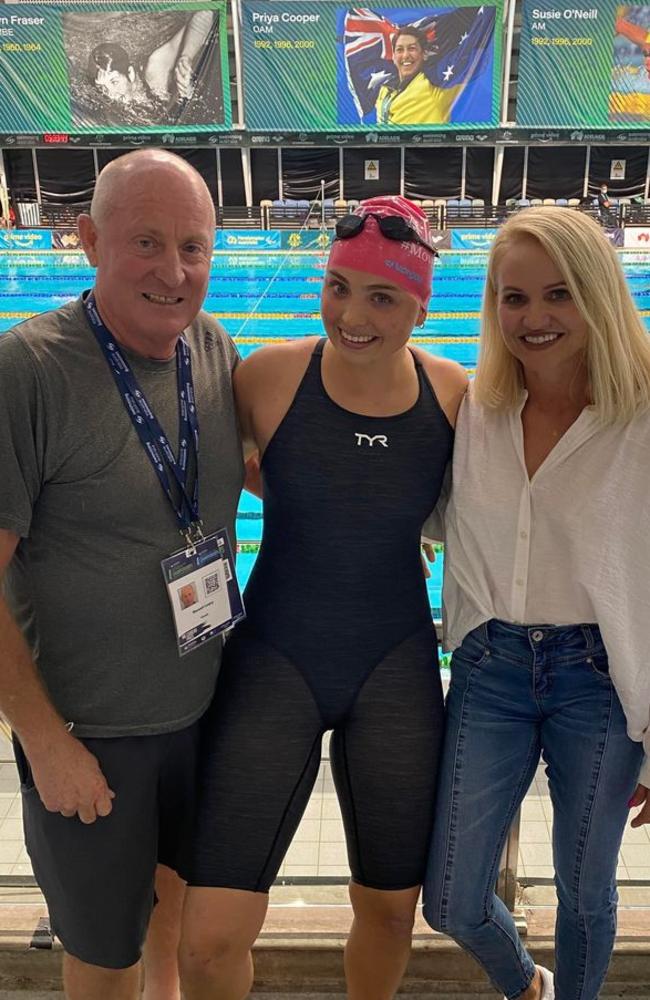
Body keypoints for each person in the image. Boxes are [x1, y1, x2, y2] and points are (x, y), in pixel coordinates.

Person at [179, 196, 468, 1000]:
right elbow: (194, 476)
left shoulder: (454, 398)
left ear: (421, 304)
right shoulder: (266, 376)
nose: (352, 314)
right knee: (208, 938)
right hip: (275, 660)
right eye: (339, 287)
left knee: (388, 911)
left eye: (381, 297)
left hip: (396, 670)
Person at [0, 149, 243, 1000]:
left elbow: (263, 465)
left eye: (193, 247)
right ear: (87, 240)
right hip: (89, 738)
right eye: (145, 242)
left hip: (202, 715)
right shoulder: (29, 371)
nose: (173, 272)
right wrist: (43, 739)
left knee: (171, 929)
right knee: (103, 957)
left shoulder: (211, 349)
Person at [422, 206, 650, 1000]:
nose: (533, 317)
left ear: (596, 295)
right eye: (513, 298)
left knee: (585, 895)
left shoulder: (642, 417)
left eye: (557, 295)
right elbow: (411, 509)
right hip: (491, 670)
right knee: (449, 897)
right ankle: (527, 985)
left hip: (601, 683)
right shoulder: (476, 415)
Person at [87, 9, 215, 107]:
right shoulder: (116, 102)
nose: (111, 95)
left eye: (114, 82)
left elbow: (205, 13)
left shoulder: (156, 70)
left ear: (130, 74)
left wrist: (186, 57)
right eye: (104, 88)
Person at [375, 28, 456, 125]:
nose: (405, 55)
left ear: (424, 54)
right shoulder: (384, 90)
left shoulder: (434, 86)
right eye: (400, 50)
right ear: (393, 57)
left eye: (412, 48)